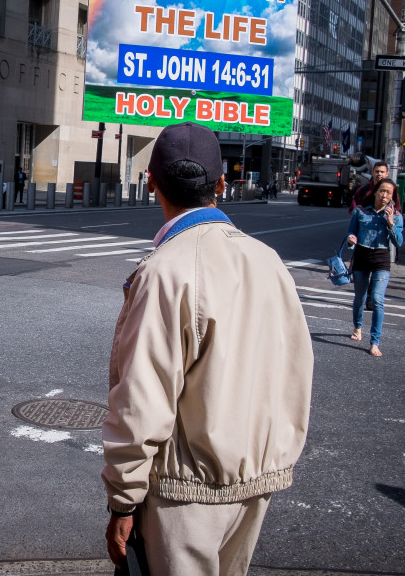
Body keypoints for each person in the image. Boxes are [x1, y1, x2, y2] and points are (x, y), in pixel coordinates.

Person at [102, 122, 313, 575]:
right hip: (257, 478)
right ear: (222, 184)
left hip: (185, 489)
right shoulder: (268, 259)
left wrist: (124, 499)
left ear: (151, 182)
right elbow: (295, 366)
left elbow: (142, 397)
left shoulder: (164, 270)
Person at [346, 178, 403, 357]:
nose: (384, 195)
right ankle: (357, 327)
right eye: (382, 191)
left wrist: (391, 223)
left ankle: (374, 342)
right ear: (376, 192)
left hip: (381, 258)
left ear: (392, 197)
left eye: (389, 193)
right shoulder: (360, 211)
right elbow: (351, 231)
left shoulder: (396, 216)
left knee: (377, 300)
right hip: (362, 256)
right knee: (360, 299)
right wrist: (351, 239)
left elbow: (398, 242)